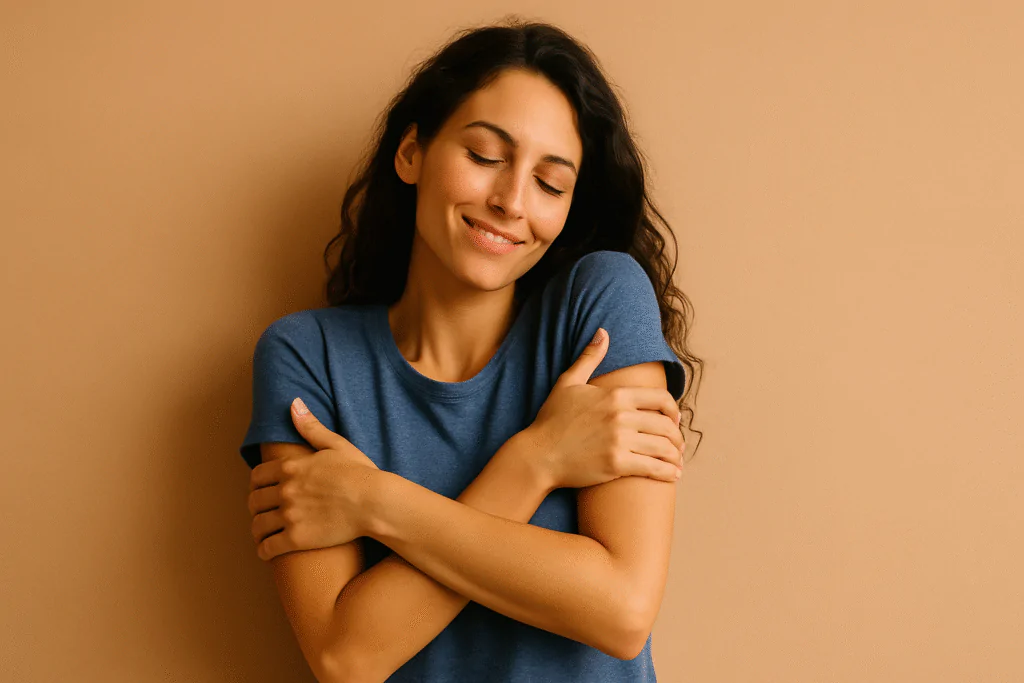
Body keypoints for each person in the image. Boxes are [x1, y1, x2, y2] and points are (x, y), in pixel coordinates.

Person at [240, 16, 702, 683]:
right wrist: (538, 458)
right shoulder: (307, 357)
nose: (512, 201)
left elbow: (621, 610)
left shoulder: (599, 302)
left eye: (550, 183)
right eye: (486, 156)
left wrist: (374, 500)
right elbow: (347, 656)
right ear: (411, 154)